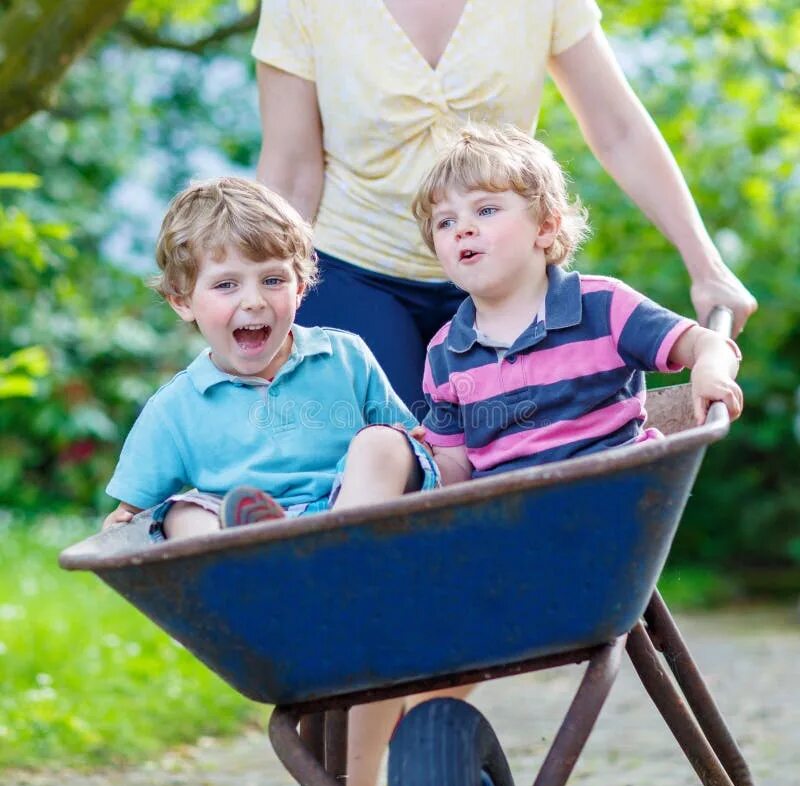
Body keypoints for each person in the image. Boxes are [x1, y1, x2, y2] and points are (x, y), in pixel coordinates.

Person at [252, 0, 756, 417]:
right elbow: (292, 171)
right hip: (354, 274)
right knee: (403, 455)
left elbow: (617, 128)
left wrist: (706, 265)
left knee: (538, 443)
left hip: (509, 274)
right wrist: (257, 301)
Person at [101, 176, 439, 540]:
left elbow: (406, 440)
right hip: (240, 524)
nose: (254, 301)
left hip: (348, 506)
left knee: (383, 441)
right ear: (183, 301)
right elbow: (131, 510)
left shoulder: (344, 356)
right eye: (226, 285)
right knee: (181, 512)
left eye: (273, 281)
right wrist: (122, 522)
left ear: (301, 288)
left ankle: (335, 546)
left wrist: (412, 443)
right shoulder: (175, 408)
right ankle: (245, 553)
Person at [412, 124, 743, 486]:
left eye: (486, 210)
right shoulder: (445, 353)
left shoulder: (603, 306)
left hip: (614, 497)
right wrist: (420, 464)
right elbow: (457, 471)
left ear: (545, 228)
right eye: (446, 222)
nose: (463, 228)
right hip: (512, 520)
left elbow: (706, 343)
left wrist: (710, 370)